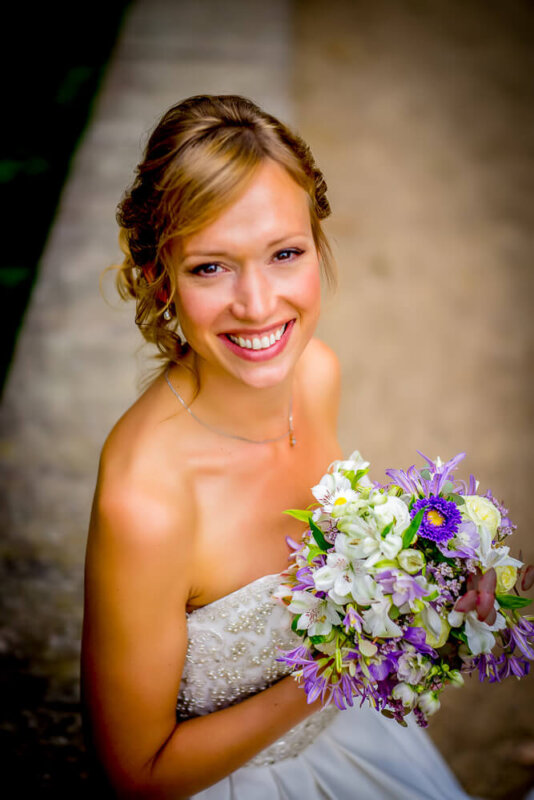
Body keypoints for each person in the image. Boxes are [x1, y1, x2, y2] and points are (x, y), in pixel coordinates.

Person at [81, 94, 472, 799]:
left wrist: (436, 579)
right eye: (211, 267)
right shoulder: (146, 503)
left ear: (318, 245)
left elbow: (343, 560)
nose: (258, 305)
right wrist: (340, 668)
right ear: (158, 277)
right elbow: (136, 776)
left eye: (285, 253)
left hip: (354, 742)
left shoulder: (316, 375)